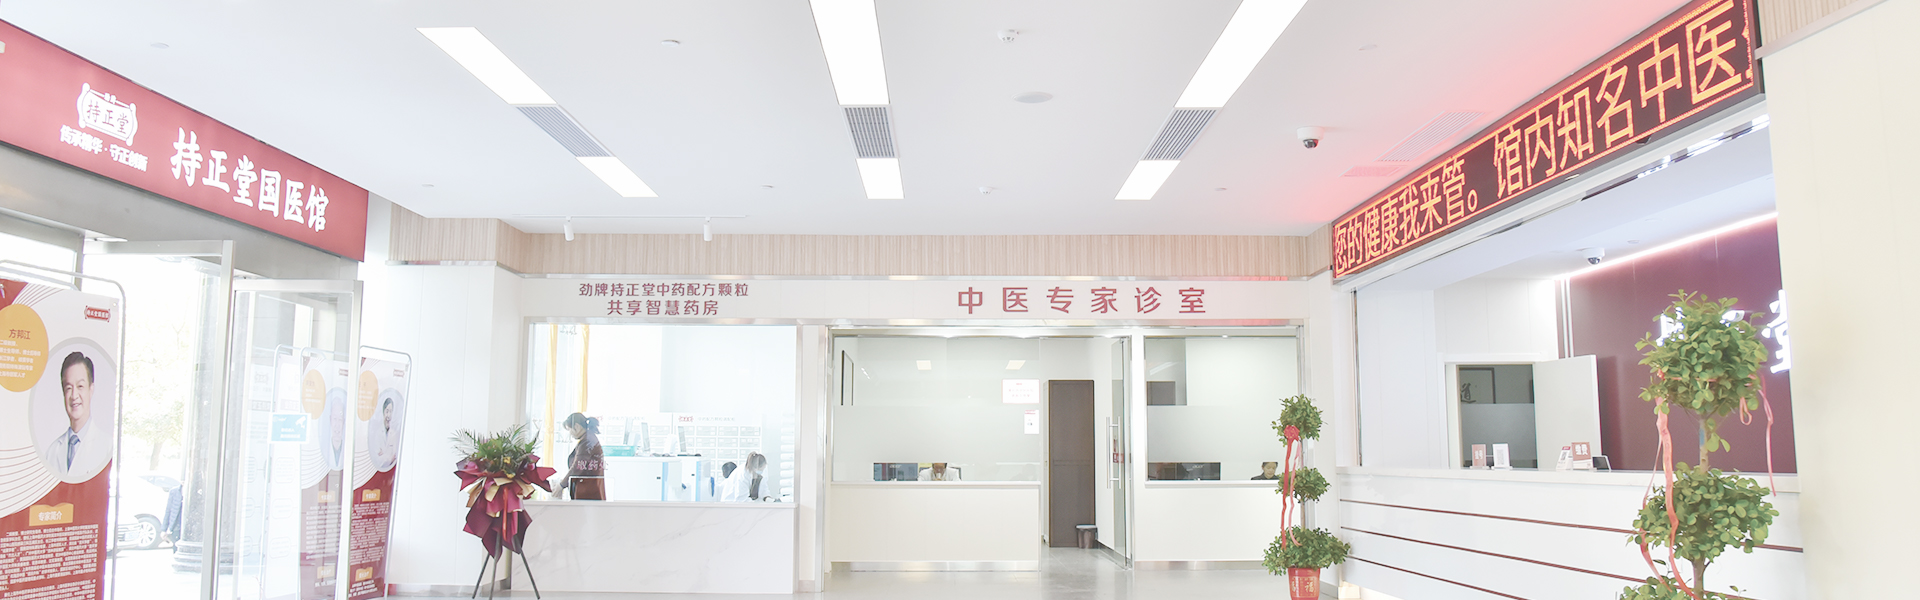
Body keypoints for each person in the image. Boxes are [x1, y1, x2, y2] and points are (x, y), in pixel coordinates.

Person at [45, 352, 108, 479]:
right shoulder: (53, 451)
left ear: (91, 389)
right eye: (68, 388)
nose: (74, 396)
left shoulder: (106, 447)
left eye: (80, 386)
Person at [557, 413, 605, 500]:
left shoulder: (587, 441)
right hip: (590, 490)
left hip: (587, 492)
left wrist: (561, 485)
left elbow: (577, 467)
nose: (570, 433)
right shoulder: (589, 438)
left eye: (570, 429)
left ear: (577, 426)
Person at [372, 394, 402, 471]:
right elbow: (377, 460)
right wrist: (389, 458)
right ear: (383, 412)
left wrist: (384, 455)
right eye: (387, 411)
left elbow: (395, 457)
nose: (388, 415)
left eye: (391, 412)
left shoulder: (394, 434)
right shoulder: (378, 434)